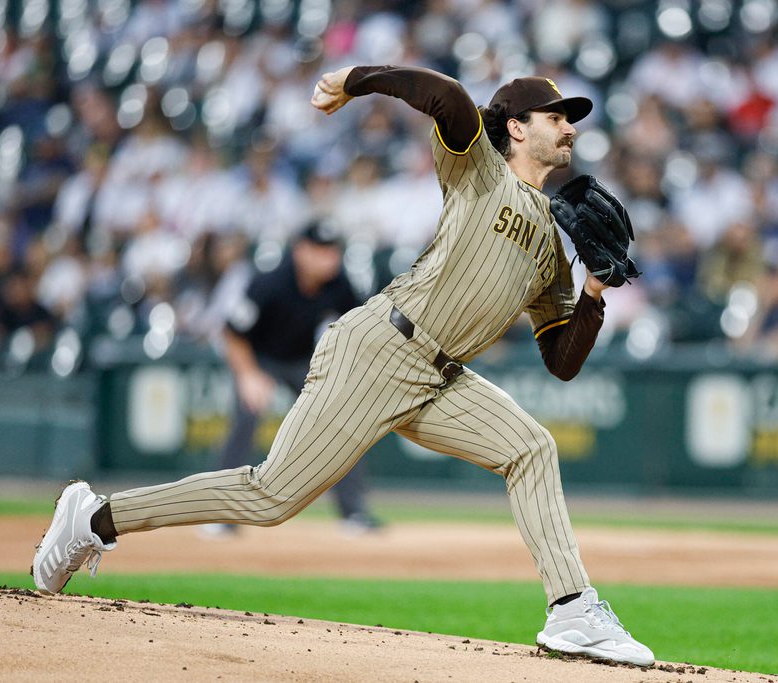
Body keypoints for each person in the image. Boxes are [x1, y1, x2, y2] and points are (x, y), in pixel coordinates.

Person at [32, 65, 655, 667]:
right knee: (271, 497)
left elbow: (561, 362)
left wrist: (595, 294)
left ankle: (572, 608)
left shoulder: (552, 245)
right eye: (557, 117)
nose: (570, 127)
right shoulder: (480, 171)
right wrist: (356, 81)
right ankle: (93, 518)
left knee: (531, 448)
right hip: (382, 349)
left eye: (570, 120)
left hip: (441, 377)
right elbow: (447, 95)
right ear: (517, 128)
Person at [209, 220, 379, 535]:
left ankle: (353, 513)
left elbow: (362, 326)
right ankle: (222, 516)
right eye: (320, 251)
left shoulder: (339, 283)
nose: (329, 258)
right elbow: (232, 333)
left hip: (302, 360)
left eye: (332, 251)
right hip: (258, 359)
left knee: (340, 420)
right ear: (301, 251)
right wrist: (248, 375)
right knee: (245, 420)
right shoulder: (271, 282)